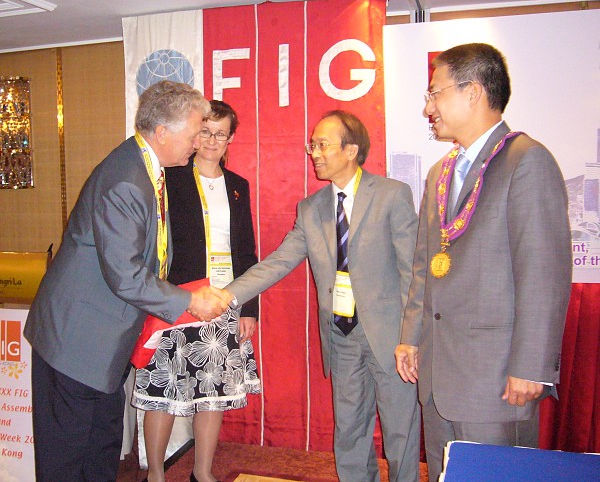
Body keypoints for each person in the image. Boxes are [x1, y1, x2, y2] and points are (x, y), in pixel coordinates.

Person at [24, 81, 229, 482]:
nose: (198, 143)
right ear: (163, 132)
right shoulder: (126, 179)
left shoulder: (147, 168)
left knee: (100, 450)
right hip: (76, 342)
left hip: (102, 341)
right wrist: (190, 301)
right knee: (68, 458)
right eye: (194, 133)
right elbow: (126, 275)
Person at [395, 43, 572, 482]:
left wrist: (530, 367)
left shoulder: (526, 161)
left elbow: (543, 275)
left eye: (434, 94)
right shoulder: (440, 172)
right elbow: (424, 267)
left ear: (472, 91)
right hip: (438, 373)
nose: (428, 108)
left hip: (495, 381)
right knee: (445, 473)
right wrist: (411, 338)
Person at [218, 110, 420, 482]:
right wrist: (227, 295)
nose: (314, 153)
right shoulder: (311, 209)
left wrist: (412, 337)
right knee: (349, 431)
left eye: (322, 145)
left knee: (400, 433)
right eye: (312, 145)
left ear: (351, 150)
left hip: (391, 337)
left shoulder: (391, 195)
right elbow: (278, 261)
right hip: (341, 335)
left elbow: (413, 273)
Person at [132, 100, 261, 482]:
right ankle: (156, 474)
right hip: (178, 301)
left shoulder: (238, 186)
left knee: (212, 393)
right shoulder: (170, 178)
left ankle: (202, 473)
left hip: (223, 302)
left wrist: (249, 308)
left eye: (221, 133)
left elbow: (247, 250)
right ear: (194, 133)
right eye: (205, 131)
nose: (212, 140)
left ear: (230, 138)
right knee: (164, 391)